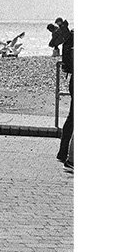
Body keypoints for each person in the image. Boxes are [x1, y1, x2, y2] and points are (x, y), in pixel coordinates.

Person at [57, 21, 74, 167]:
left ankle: (64, 152)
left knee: (72, 118)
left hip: (74, 79)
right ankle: (68, 156)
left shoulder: (71, 37)